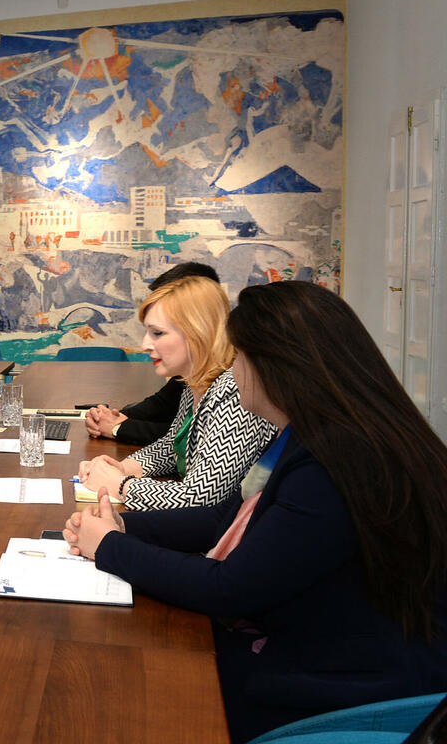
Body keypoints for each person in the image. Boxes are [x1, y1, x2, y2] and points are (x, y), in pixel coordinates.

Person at [64, 281, 447, 743]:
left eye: (240, 357)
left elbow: (230, 589)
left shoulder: (337, 461)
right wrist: (124, 525)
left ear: (275, 366)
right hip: (325, 651)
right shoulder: (317, 434)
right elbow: (224, 518)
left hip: (352, 689)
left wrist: (110, 547)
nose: (233, 370)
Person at [78, 275, 275, 510]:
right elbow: (171, 447)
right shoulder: (195, 381)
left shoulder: (235, 392)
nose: (145, 345)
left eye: (157, 333)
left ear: (198, 332)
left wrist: (120, 485)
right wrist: (121, 467)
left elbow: (200, 498)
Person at [85, 261, 220, 445]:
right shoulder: (193, 376)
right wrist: (107, 418)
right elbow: (169, 433)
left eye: (158, 332)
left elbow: (183, 440)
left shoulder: (230, 387)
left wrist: (118, 427)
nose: (145, 345)